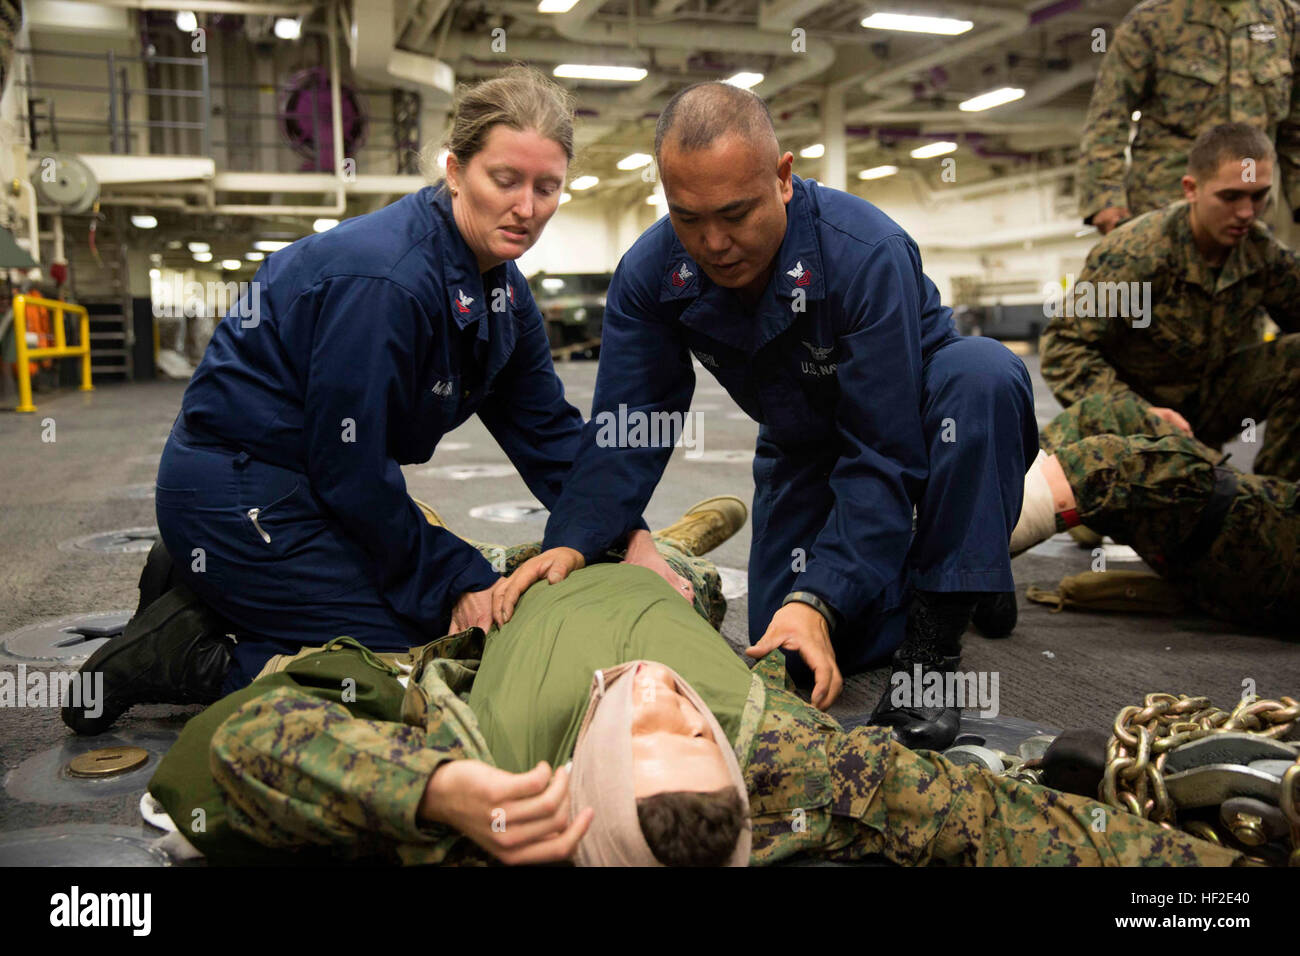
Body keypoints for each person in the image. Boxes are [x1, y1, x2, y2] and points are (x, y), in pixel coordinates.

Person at [149, 507, 1244, 868]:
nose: (662, 695)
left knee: (392, 565)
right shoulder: (773, 756)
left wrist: (434, 790)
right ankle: (672, 552)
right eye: (692, 724)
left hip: (508, 601)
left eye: (647, 723)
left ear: (578, 787)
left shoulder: (483, 759)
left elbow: (240, 743)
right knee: (692, 563)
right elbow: (1000, 823)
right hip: (667, 589)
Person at [493, 81, 1038, 751]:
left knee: (983, 375)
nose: (715, 242)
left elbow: (882, 454)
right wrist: (574, 540)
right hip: (804, 445)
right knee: (798, 650)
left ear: (782, 179)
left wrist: (820, 597)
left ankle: (938, 631)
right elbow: (628, 429)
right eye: (689, 218)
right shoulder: (651, 274)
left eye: (735, 213)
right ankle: (966, 561)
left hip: (914, 422)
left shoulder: (864, 253)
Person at [134, 66, 691, 701]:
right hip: (241, 490)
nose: (526, 207)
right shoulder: (389, 283)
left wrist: (629, 536)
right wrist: (458, 578)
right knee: (404, 662)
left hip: (313, 486)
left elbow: (549, 435)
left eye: (547, 187)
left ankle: (211, 588)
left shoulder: (503, 289)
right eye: (504, 180)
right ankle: (183, 654)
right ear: (455, 171)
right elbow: (350, 467)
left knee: (438, 614)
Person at [1042, 123, 1300, 481]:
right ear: (1191, 189)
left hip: (1209, 411)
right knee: (1144, 511)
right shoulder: (1135, 253)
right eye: (1230, 197)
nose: (1246, 212)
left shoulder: (1262, 253)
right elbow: (1062, 349)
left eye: (1258, 196)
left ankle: (1274, 504)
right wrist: (1140, 415)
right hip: (1135, 423)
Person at [1012, 394, 1298, 630]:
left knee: (1113, 468)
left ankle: (978, 562)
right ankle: (994, 552)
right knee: (1106, 413)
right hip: (1279, 497)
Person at [1076, 0, 1300, 235]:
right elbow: (1108, 114)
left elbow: (1295, 126)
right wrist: (1104, 198)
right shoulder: (1153, 19)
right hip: (1165, 210)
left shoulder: (1286, 21)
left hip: (1250, 212)